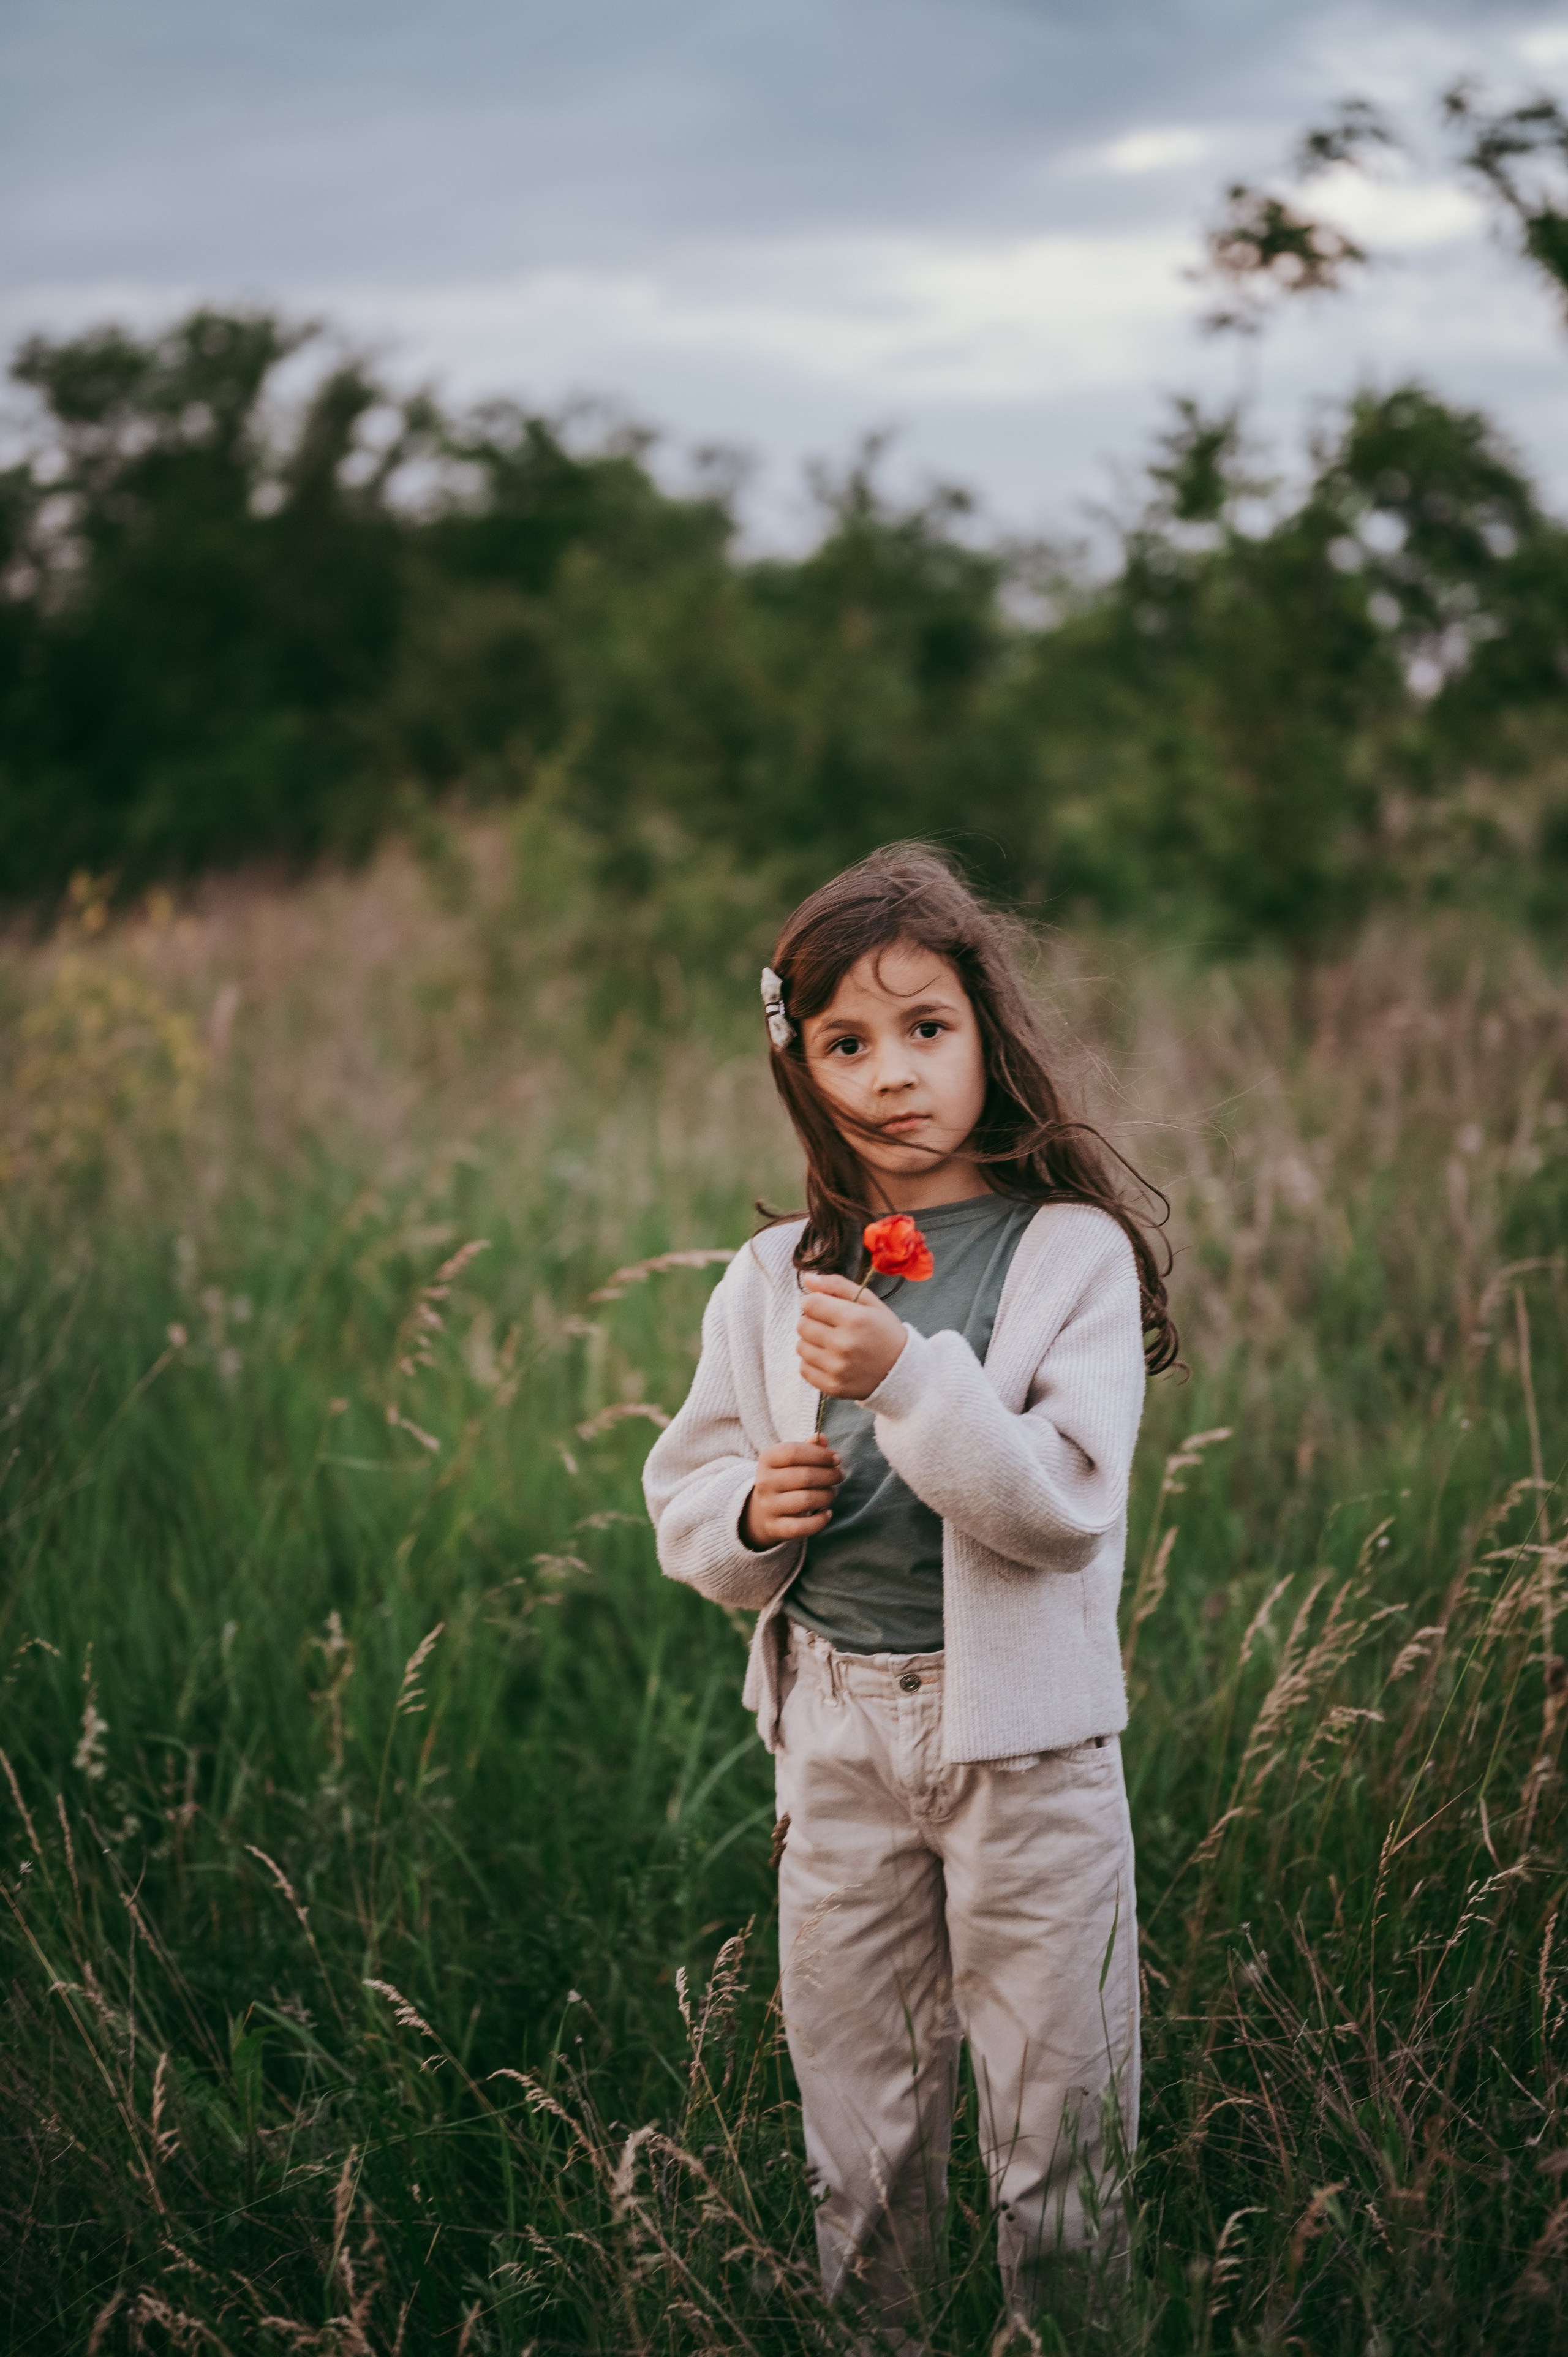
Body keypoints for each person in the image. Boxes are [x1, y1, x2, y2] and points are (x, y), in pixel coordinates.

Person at [642, 846, 1178, 2343]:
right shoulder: (770, 1275)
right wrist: (753, 1509)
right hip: (834, 1728)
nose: (890, 1074)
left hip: (1024, 1745)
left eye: (923, 1029)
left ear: (986, 1039)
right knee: (860, 2121)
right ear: (801, 1070)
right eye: (845, 1044)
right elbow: (682, 1494)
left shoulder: (1063, 1252)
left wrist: (905, 1379)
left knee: (1054, 2116)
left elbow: (1062, 1503)